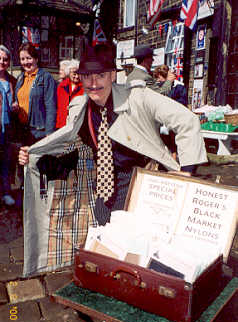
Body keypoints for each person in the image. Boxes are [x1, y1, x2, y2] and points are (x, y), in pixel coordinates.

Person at [18, 43, 207, 276]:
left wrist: (187, 172)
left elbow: (187, 121)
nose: (93, 83)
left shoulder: (139, 97)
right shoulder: (79, 107)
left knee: (139, 249)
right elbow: (73, 151)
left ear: (113, 75)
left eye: (100, 75)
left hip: (142, 184)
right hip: (103, 185)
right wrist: (34, 155)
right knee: (107, 247)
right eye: (87, 76)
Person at [14, 42, 57, 146]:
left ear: (36, 59)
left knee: (36, 161)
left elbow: (51, 107)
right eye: (22, 59)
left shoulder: (46, 77)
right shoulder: (20, 78)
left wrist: (49, 133)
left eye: (29, 58)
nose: (25, 62)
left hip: (39, 132)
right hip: (22, 130)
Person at [154, 64, 188, 160]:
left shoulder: (179, 86)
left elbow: (182, 103)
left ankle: (174, 160)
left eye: (159, 77)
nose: (157, 80)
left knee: (173, 143)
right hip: (161, 120)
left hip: (174, 119)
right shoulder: (159, 87)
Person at [0, 45, 16, 206]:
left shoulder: (12, 80)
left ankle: (6, 192)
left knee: (6, 161)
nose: (2, 62)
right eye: (0, 58)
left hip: (7, 127)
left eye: (5, 59)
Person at [56, 59, 84, 129]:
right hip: (61, 124)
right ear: (69, 73)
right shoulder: (61, 86)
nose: (77, 76)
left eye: (79, 73)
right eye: (74, 73)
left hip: (76, 127)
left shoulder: (84, 88)